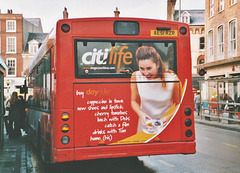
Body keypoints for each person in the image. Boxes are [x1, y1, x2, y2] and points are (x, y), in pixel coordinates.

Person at [131, 46, 182, 132]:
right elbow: (133, 101)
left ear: (157, 64)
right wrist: (141, 114)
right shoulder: (136, 76)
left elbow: (179, 104)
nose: (145, 73)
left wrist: (168, 117)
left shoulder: (172, 78)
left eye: (149, 68)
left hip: (166, 126)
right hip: (145, 127)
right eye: (141, 68)